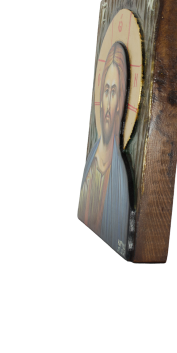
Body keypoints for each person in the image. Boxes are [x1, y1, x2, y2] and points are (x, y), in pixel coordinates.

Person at [78, 42, 130, 256]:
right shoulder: (91, 161)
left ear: (120, 102)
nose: (107, 105)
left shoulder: (120, 179)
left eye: (114, 92)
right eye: (106, 91)